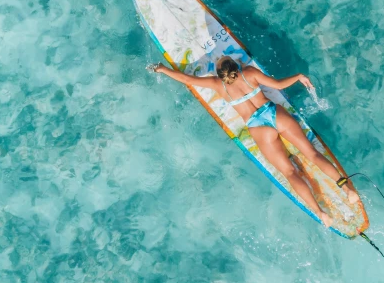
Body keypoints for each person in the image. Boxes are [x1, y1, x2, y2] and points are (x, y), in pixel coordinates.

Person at [151, 57, 359, 227]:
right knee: (311, 154)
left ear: (219, 74)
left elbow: (186, 79)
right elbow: (277, 85)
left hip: (258, 126)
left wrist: (162, 69)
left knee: (289, 172)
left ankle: (320, 213)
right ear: (235, 65)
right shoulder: (249, 72)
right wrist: (298, 77)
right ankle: (347, 190)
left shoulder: (217, 84)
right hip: (274, 113)